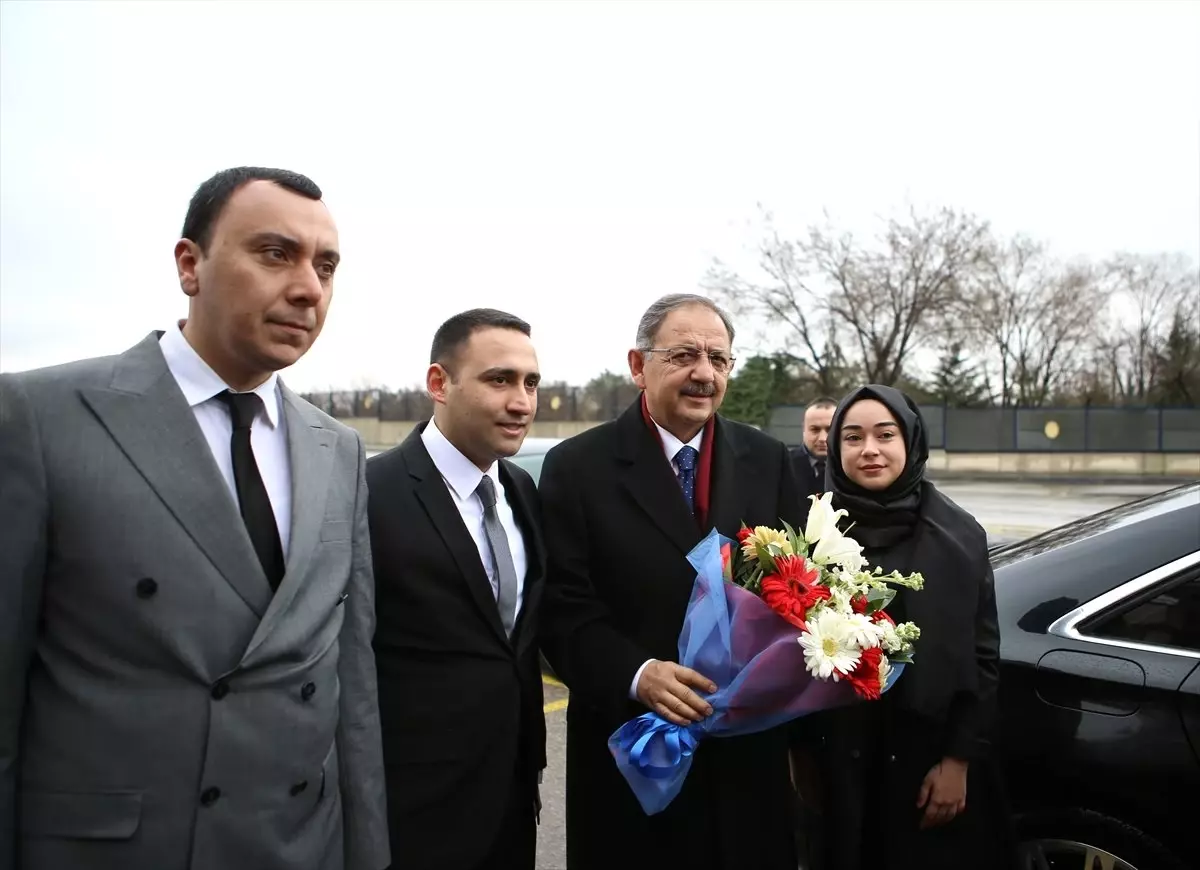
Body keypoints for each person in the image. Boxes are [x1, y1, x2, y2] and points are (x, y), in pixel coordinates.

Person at [0, 168, 389, 870]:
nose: (309, 288)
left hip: (299, 848)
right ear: (190, 264)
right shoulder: (40, 418)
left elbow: (350, 691)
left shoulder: (340, 449)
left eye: (325, 266)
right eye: (276, 253)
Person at [538, 293, 806, 870]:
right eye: (684, 355)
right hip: (633, 750)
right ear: (638, 366)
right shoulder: (577, 467)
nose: (703, 374)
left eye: (718, 358)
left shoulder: (769, 461)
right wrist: (638, 675)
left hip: (746, 758)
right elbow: (561, 609)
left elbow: (800, 591)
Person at [367, 309, 547, 870]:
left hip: (514, 794)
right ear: (439, 384)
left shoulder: (522, 490)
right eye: (500, 380)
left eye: (531, 383)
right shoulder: (369, 492)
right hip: (412, 809)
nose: (521, 402)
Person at [812, 384, 1016, 870]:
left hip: (928, 762)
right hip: (839, 761)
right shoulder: (813, 531)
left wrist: (959, 761)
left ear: (911, 441)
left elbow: (982, 655)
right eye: (853, 438)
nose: (870, 450)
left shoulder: (958, 535)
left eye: (885, 435)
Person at [789, 396, 837, 499]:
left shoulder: (853, 469)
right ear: (804, 429)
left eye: (830, 430)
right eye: (815, 430)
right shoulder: (783, 466)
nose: (823, 438)